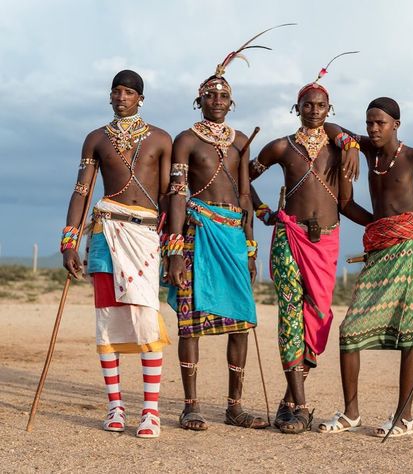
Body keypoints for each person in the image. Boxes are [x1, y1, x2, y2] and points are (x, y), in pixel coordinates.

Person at [318, 97, 413, 438]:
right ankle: (351, 414)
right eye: (369, 123)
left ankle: (404, 419)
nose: (373, 129)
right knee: (350, 331)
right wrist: (347, 144)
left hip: (411, 251)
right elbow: (331, 128)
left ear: (396, 125)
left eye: (381, 123)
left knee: (410, 335)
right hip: (379, 250)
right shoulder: (366, 150)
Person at [249, 78, 371, 434]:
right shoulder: (281, 148)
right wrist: (261, 211)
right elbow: (243, 176)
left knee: (316, 317)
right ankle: (301, 406)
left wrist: (379, 223)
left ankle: (289, 399)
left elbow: (345, 204)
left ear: (328, 110)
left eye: (321, 106)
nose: (314, 111)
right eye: (308, 105)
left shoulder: (338, 149)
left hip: (326, 241)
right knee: (290, 314)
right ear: (296, 108)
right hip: (288, 236)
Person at [165, 38, 273, 431]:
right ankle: (190, 405)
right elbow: (177, 192)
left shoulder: (241, 141)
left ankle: (234, 406)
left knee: (241, 321)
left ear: (232, 102)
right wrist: (175, 250)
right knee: (190, 321)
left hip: (232, 237)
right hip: (196, 233)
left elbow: (244, 196)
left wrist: (250, 246)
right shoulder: (187, 140)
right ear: (200, 100)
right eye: (210, 94)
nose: (217, 100)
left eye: (223, 95)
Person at [61, 70, 172, 439]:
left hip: (143, 235)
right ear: (110, 97)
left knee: (144, 318)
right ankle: (115, 405)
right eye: (116, 92)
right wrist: (69, 241)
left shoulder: (160, 138)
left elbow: (174, 195)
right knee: (107, 318)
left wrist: (175, 246)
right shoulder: (95, 139)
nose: (121, 97)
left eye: (128, 92)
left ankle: (151, 412)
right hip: (105, 232)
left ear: (140, 98)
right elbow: (82, 190)